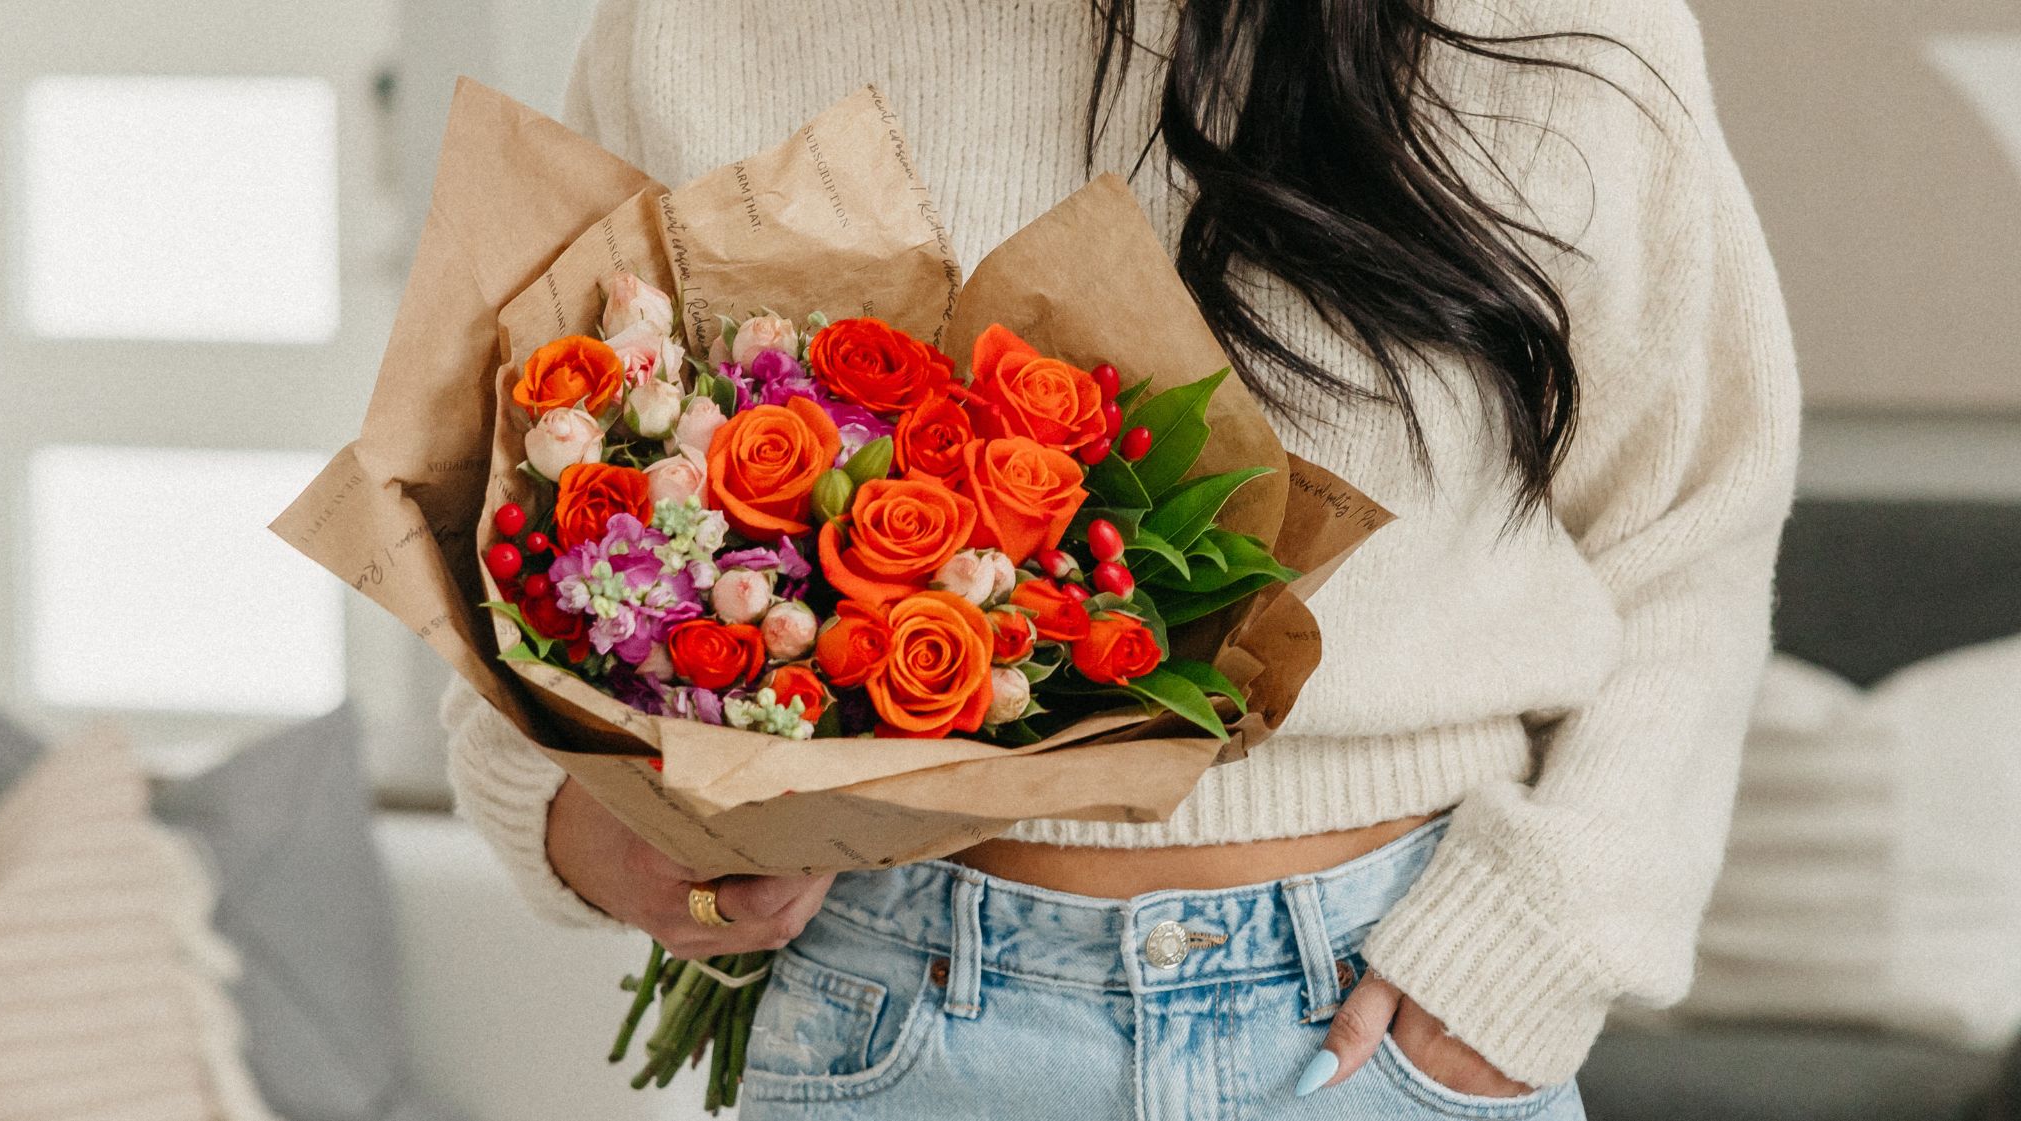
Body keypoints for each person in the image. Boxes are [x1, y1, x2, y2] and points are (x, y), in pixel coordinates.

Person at [440, 0, 1798, 1115]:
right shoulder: (695, 25)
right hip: (885, 1010)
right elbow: (536, 492)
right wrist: (580, 812)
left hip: (1380, 1021)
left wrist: (1537, 948)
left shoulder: (1547, 23)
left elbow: (1694, 520)